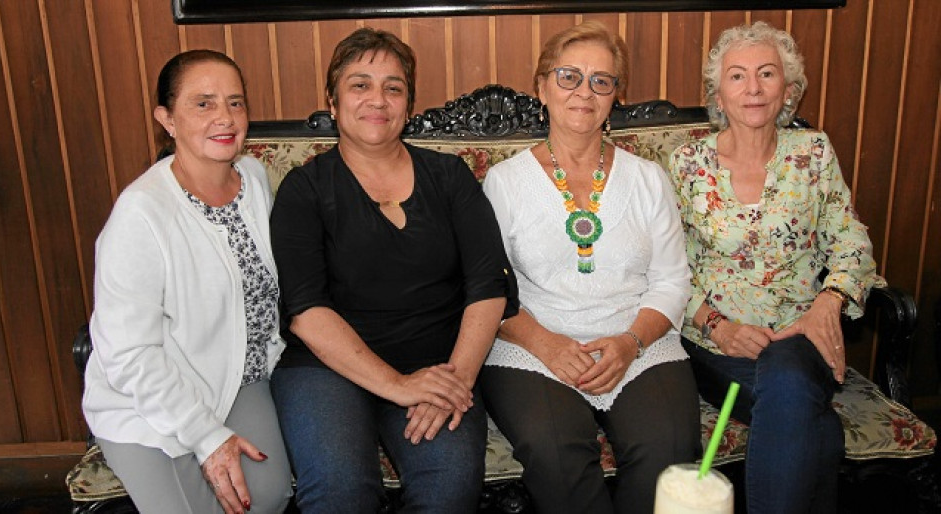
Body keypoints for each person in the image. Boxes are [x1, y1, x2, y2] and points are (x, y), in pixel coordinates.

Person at [269, 28, 518, 513]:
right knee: (341, 491)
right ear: (333, 102)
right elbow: (304, 308)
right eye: (359, 85)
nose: (377, 100)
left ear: (409, 105)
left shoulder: (450, 176)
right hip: (326, 368)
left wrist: (456, 380)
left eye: (393, 87)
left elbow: (489, 285)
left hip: (437, 363)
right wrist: (398, 386)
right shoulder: (304, 189)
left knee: (449, 489)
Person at [479, 21, 700, 514]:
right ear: (542, 87)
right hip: (532, 347)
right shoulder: (504, 182)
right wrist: (547, 345)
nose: (584, 92)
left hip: (639, 342)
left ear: (615, 95)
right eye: (569, 76)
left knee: (667, 446)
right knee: (556, 452)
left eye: (601, 80)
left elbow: (672, 280)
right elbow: (490, 287)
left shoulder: (648, 178)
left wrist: (630, 343)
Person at [669, 22, 886, 514]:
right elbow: (667, 264)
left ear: (787, 90)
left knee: (789, 375)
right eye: (737, 76)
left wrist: (828, 303)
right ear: (718, 95)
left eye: (766, 74)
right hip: (716, 348)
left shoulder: (813, 153)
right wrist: (718, 326)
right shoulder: (686, 163)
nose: (753, 88)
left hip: (802, 338)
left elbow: (851, 239)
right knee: (813, 420)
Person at [82, 50, 292, 514]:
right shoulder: (140, 214)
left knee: (267, 497)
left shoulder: (254, 179)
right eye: (203, 103)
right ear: (167, 119)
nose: (225, 117)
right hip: (149, 398)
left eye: (235, 102)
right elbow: (129, 354)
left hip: (239, 378)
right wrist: (206, 435)